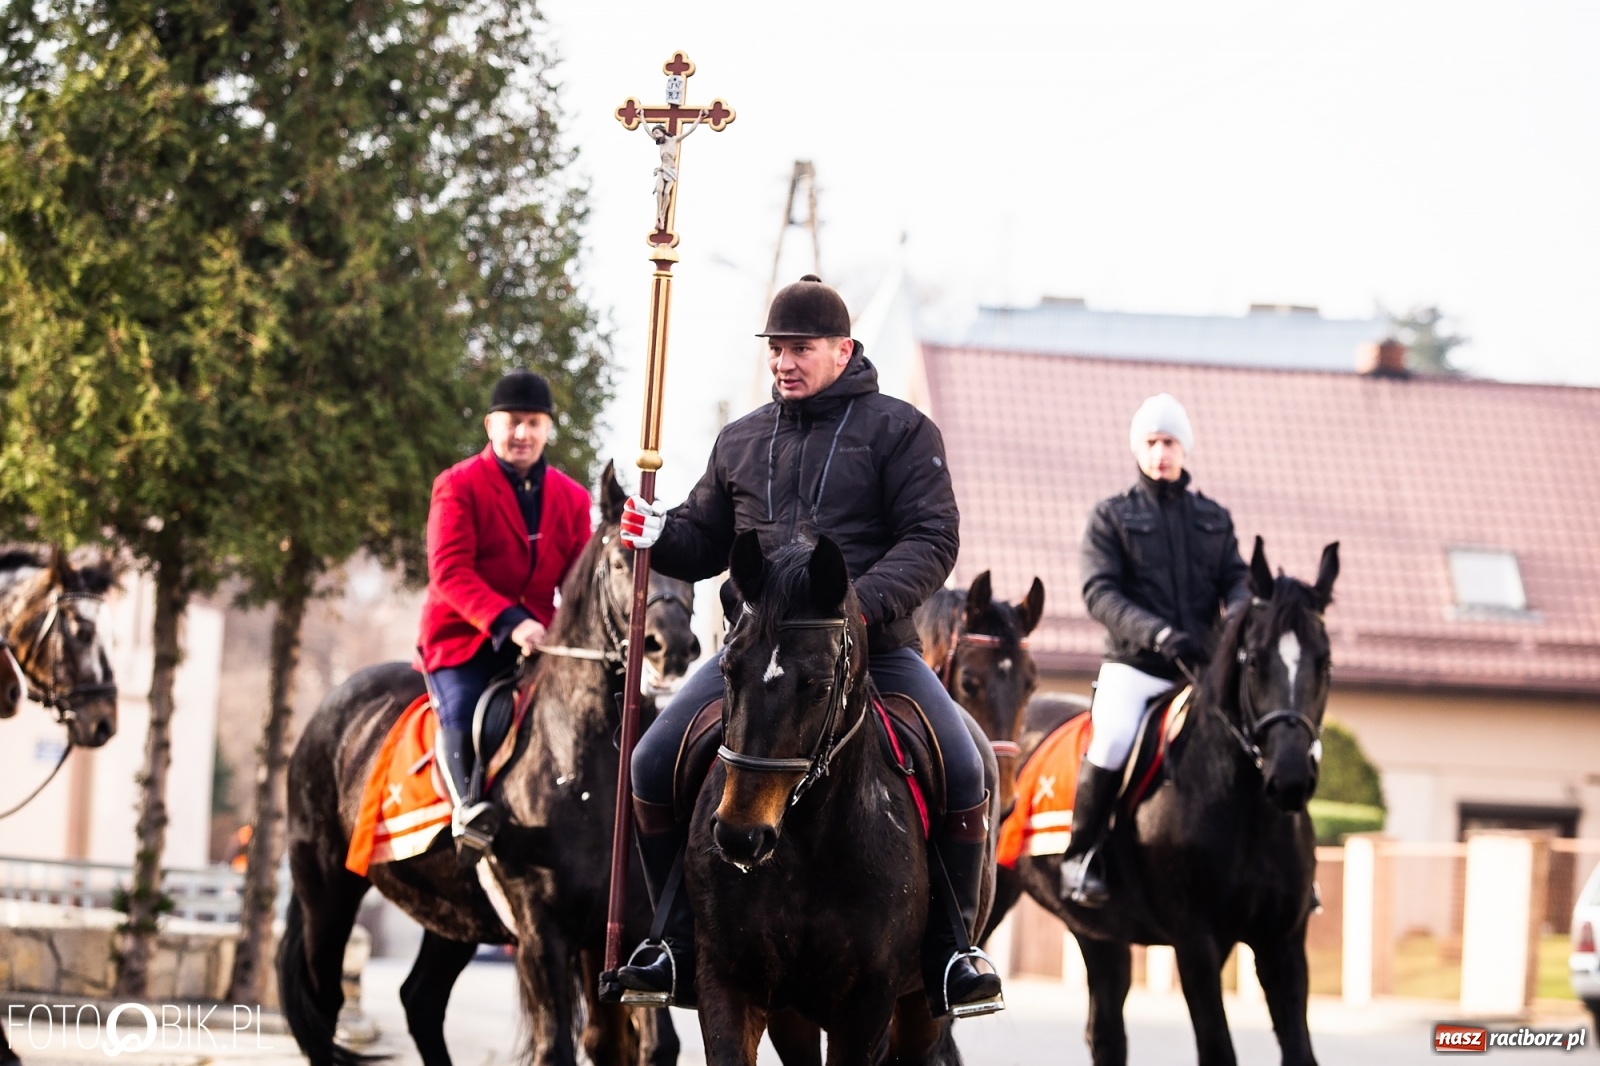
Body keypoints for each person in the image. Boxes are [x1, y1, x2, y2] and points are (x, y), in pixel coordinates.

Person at [610, 275, 1002, 1017]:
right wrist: (659, 534)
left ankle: (953, 951)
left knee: (965, 767)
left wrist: (859, 609)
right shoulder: (742, 438)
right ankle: (676, 938)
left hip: (874, 648)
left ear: (843, 350)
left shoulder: (902, 430)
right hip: (758, 658)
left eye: (801, 349)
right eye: (778, 350)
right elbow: (704, 536)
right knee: (651, 762)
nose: (785, 362)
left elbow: (932, 537)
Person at [1062, 393, 1251, 906]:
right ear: (1138, 450)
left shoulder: (1214, 518)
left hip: (1203, 670)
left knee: (1259, 730)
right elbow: (1098, 593)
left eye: (1169, 442)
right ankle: (1081, 857)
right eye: (1151, 443)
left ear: (1184, 449)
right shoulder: (1111, 517)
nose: (1160, 453)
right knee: (1113, 738)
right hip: (1137, 667)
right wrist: (1158, 634)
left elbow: (1238, 578)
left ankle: (1282, 866)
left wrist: (1236, 614)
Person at [415, 370, 592, 850]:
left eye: (534, 422)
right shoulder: (457, 486)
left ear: (547, 428)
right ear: (491, 425)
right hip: (463, 638)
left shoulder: (574, 498)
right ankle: (466, 810)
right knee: (464, 708)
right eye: (512, 422)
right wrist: (512, 624)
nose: (523, 433)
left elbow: (576, 583)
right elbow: (449, 572)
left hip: (539, 640)